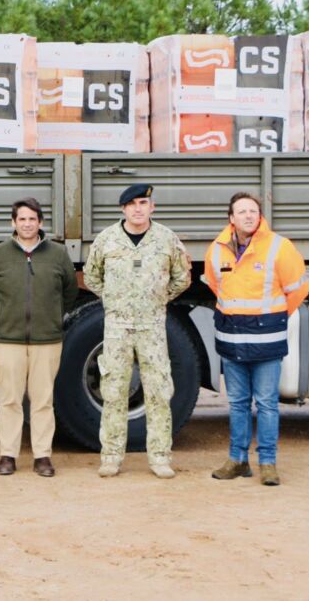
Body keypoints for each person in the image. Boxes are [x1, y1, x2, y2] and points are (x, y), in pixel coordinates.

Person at [83, 183, 190, 479]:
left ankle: (159, 457)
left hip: (152, 327)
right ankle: (111, 456)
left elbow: (181, 278)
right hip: (117, 328)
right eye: (132, 204)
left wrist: (157, 299)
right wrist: (114, 300)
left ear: (152, 207)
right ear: (123, 209)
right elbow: (92, 276)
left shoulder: (166, 239)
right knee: (113, 392)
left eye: (143, 203)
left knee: (158, 392)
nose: (138, 209)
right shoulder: (107, 239)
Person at [204, 192, 309, 487]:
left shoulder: (279, 247)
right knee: (238, 403)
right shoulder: (216, 250)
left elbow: (298, 290)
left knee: (266, 404)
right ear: (231, 218)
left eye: (253, 211)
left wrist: (271, 319)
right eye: (242, 211)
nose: (248, 215)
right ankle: (237, 461)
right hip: (232, 340)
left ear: (260, 216)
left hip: (267, 341)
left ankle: (268, 463)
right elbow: (215, 286)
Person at [0, 198, 77, 477]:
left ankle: (42, 456)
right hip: (7, 339)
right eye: (21, 219)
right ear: (13, 222)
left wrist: (51, 317)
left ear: (41, 223)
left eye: (32, 219)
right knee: (10, 399)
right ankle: (8, 455)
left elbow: (69, 292)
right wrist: (6, 317)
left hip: (46, 340)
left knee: (43, 400)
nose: (27, 224)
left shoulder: (58, 254)